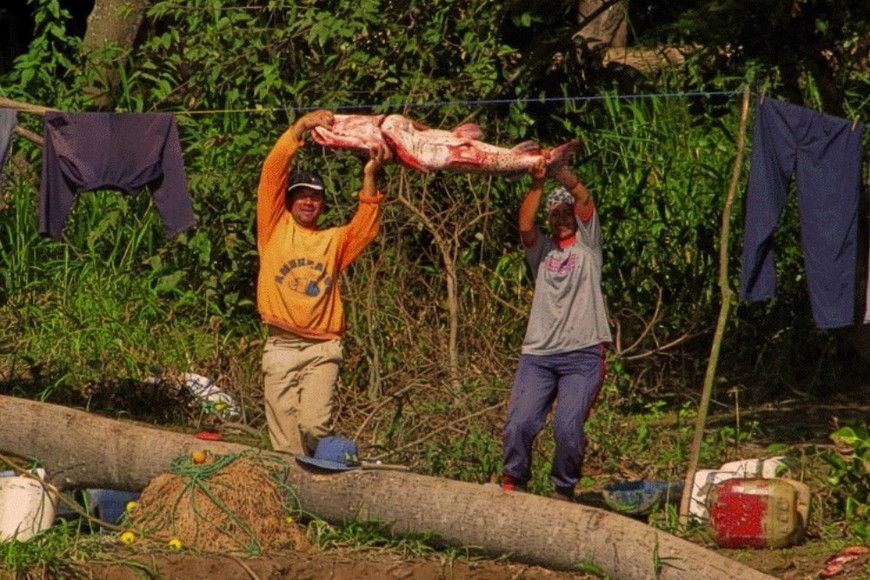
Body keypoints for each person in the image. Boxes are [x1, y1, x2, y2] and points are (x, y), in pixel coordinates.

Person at [256, 109, 389, 456]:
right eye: (301, 195)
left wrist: (370, 175)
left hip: (322, 349)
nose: (308, 201)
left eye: (315, 197)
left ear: (323, 204)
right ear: (289, 200)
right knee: (285, 447)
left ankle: (322, 468)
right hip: (281, 348)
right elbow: (272, 171)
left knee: (314, 426)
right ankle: (296, 506)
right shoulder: (273, 228)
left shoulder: (334, 241)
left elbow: (366, 225)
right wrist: (299, 128)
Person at [500, 157, 612, 501]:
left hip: (583, 353)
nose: (562, 220)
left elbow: (584, 200)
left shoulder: (588, 247)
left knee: (567, 428)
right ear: (549, 221)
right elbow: (524, 224)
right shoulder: (542, 251)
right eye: (555, 215)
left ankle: (563, 488)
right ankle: (513, 482)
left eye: (566, 214)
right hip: (539, 354)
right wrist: (537, 183)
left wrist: (559, 171)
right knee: (519, 423)